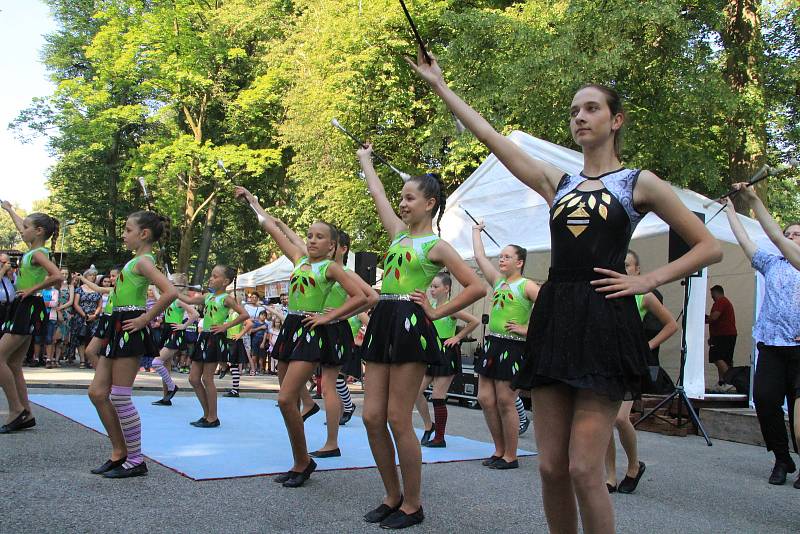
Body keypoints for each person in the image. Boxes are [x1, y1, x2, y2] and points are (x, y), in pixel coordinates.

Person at [406, 49, 721, 533]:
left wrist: (646, 279)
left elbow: (707, 247)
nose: (579, 116)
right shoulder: (560, 181)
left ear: (617, 120)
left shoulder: (639, 183)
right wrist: (441, 87)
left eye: (591, 108)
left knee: (582, 468)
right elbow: (491, 138)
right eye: (574, 110)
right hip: (557, 318)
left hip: (604, 320)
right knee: (550, 467)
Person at [356, 144, 484, 529]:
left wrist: (435, 311)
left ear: (429, 203)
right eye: (402, 198)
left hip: (410, 325)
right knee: (371, 416)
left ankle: (413, 503)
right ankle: (391, 495)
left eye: (410, 198)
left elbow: (475, 286)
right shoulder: (397, 234)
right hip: (383, 321)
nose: (403, 203)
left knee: (398, 416)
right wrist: (366, 160)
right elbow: (377, 192)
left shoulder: (437, 246)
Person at [235, 185, 366, 488]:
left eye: (320, 237)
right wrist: (253, 202)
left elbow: (362, 296)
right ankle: (300, 460)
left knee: (284, 398)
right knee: (288, 400)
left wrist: (329, 316)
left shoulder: (331, 269)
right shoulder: (298, 259)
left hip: (310, 333)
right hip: (290, 330)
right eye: (309, 235)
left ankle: (304, 460)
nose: (311, 240)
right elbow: (271, 228)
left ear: (334, 246)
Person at [86, 211, 177, 478]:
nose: (124, 235)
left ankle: (135, 459)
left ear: (143, 234)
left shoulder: (144, 262)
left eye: (127, 230)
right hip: (117, 325)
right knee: (97, 392)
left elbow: (171, 292)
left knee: (120, 396)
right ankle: (119, 452)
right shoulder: (135, 261)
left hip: (129, 327)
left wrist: (145, 318)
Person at [723, 188, 800, 488]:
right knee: (766, 401)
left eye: (797, 234)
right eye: (789, 233)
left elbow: (775, 235)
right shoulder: (772, 263)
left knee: (798, 412)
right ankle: (782, 458)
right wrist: (731, 211)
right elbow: (746, 241)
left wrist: (754, 200)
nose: (791, 237)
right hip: (772, 346)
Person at [605, 250, 677, 494]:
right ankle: (610, 475)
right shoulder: (605, 291)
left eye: (627, 265)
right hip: (605, 361)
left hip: (628, 363)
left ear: (636, 270)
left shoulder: (644, 295)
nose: (623, 269)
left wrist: (648, 346)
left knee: (619, 418)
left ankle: (634, 465)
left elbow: (671, 324)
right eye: (620, 264)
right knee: (603, 420)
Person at [470, 226, 539, 468]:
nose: (502, 259)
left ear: (519, 262)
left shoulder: (527, 286)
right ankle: (499, 450)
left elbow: (550, 311)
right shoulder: (498, 282)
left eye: (507, 256)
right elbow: (479, 256)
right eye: (500, 256)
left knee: (505, 401)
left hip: (515, 346)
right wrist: (476, 231)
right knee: (485, 398)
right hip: (493, 344)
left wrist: (527, 329)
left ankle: (511, 455)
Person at [0, 203, 63, 433]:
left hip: (29, 303)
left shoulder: (38, 253)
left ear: (38, 232)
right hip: (24, 304)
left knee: (0, 358)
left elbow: (57, 276)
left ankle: (16, 410)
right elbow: (20, 225)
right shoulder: (32, 249)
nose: (21, 230)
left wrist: (32, 289)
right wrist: (9, 210)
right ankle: (25, 412)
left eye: (26, 227)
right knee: (14, 363)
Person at [177, 265, 249, 427]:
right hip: (203, 337)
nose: (211, 278)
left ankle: (213, 417)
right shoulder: (208, 297)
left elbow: (245, 315)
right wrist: (171, 287)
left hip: (215, 338)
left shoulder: (226, 298)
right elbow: (187, 300)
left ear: (226, 281)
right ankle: (206, 414)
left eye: (215, 276)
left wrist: (225, 326)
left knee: (207, 378)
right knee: (193, 378)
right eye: (211, 275)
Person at [415, 272, 479, 449]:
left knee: (437, 395)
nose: (432, 290)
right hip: (432, 351)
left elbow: (474, 321)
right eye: (431, 286)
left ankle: (440, 438)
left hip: (446, 352)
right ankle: (429, 426)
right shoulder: (431, 306)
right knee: (415, 392)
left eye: (436, 287)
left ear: (446, 288)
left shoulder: (452, 307)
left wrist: (458, 337)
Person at [151, 273, 199, 405]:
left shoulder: (179, 300)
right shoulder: (169, 299)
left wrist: (184, 325)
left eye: (171, 281)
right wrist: (154, 283)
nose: (167, 283)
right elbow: (157, 296)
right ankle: (166, 397)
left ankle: (172, 387)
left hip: (175, 332)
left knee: (156, 362)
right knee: (165, 365)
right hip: (166, 331)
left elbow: (195, 314)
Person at [705, 285, 738, 392]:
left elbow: (714, 317)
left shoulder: (721, 302)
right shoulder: (725, 302)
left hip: (723, 335)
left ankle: (730, 381)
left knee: (716, 357)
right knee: (725, 359)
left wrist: (704, 319)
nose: (712, 297)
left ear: (717, 292)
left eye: (712, 295)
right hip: (725, 335)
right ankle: (722, 382)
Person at [71, 268, 103, 368]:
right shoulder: (79, 289)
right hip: (81, 317)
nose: (92, 277)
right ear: (85, 276)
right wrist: (84, 315)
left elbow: (100, 305)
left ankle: (91, 359)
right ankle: (82, 360)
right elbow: (76, 304)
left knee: (93, 338)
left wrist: (95, 315)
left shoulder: (98, 289)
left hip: (94, 317)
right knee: (81, 338)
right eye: (90, 275)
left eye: (94, 275)